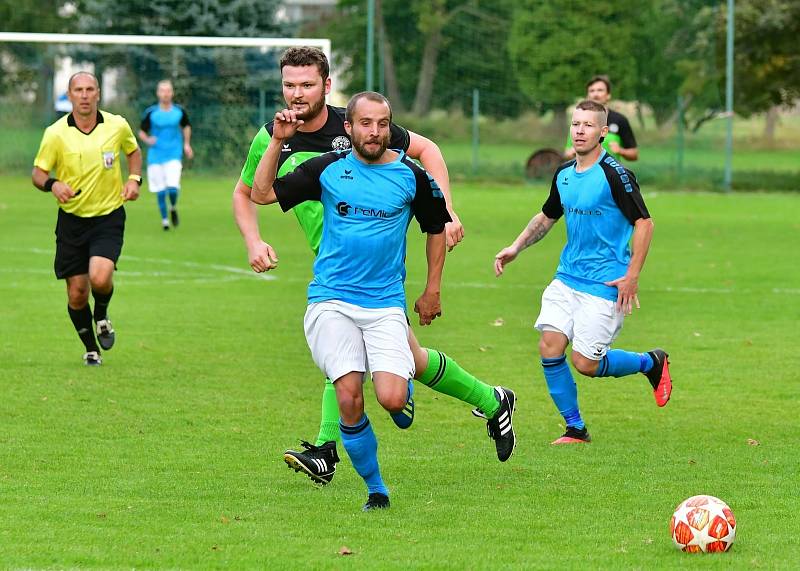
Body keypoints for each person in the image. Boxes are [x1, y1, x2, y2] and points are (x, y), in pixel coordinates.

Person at [232, 47, 516, 486]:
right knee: (399, 362)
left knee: (366, 364)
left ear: (326, 86)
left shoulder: (362, 126)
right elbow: (248, 192)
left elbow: (429, 151)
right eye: (289, 84)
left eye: (307, 84)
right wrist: (254, 239)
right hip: (336, 269)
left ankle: (329, 448)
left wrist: (448, 210)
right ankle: (491, 400)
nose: (297, 93)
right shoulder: (274, 134)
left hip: (378, 274)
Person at [250, 92, 453, 510]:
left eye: (382, 124)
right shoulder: (327, 170)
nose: (374, 132)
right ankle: (377, 489)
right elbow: (262, 193)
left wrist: (432, 289)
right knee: (347, 395)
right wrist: (276, 142)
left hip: (384, 306)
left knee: (393, 399)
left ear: (390, 128)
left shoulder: (412, 177)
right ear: (350, 128)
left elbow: (436, 228)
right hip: (331, 301)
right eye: (365, 124)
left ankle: (402, 391)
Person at [495, 99, 671, 444]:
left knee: (586, 364)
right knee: (549, 346)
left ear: (602, 133)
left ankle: (650, 362)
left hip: (606, 281)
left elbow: (644, 223)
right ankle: (575, 428)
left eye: (588, 125)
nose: (580, 130)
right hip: (567, 277)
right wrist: (516, 246)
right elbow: (547, 216)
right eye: (576, 124)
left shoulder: (615, 174)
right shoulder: (563, 174)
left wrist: (632, 275)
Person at [31, 71, 142, 366]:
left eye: (89, 89)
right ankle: (91, 348)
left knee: (100, 276)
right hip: (71, 221)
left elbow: (133, 152)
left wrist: (134, 179)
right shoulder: (55, 134)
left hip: (108, 216)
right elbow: (38, 173)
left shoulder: (116, 125)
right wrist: (53, 184)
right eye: (78, 90)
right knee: (78, 293)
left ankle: (102, 314)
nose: (84, 95)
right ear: (69, 95)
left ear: (98, 94)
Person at [139, 79, 193, 230]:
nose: (165, 94)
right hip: (156, 155)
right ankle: (165, 221)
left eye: (168, 90)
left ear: (172, 93)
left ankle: (173, 207)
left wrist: (186, 144)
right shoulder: (151, 113)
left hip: (174, 154)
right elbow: (141, 131)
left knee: (172, 187)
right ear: (158, 93)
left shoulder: (179, 112)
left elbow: (186, 126)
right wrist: (148, 140)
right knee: (161, 191)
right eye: (162, 91)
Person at [564, 75, 638, 162]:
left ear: (608, 95)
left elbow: (634, 155)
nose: (595, 94)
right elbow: (567, 154)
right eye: (592, 91)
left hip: (609, 174)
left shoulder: (620, 120)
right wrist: (571, 153)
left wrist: (621, 151)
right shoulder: (579, 119)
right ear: (588, 95)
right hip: (584, 173)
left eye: (600, 90)